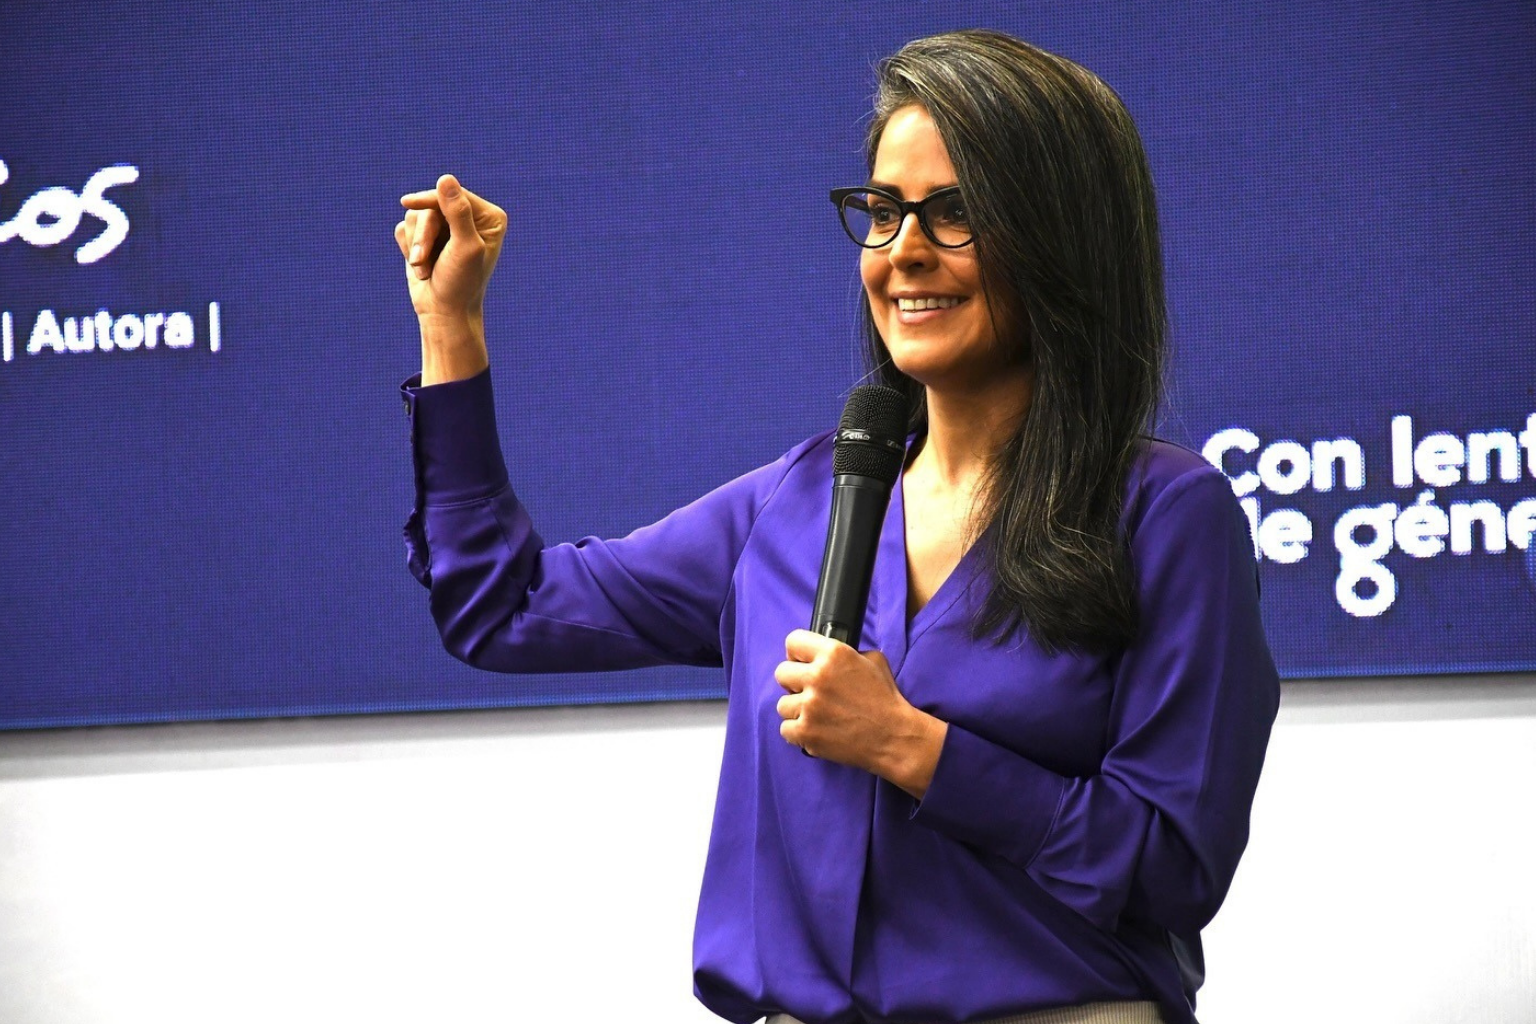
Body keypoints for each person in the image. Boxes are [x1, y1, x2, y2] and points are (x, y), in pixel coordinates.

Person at [393, 29, 1278, 1024]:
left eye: (955, 215)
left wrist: (916, 746)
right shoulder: (799, 500)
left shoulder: (1166, 513)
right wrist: (451, 328)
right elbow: (500, 610)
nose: (903, 251)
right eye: (884, 212)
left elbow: (1174, 864)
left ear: (1059, 236)